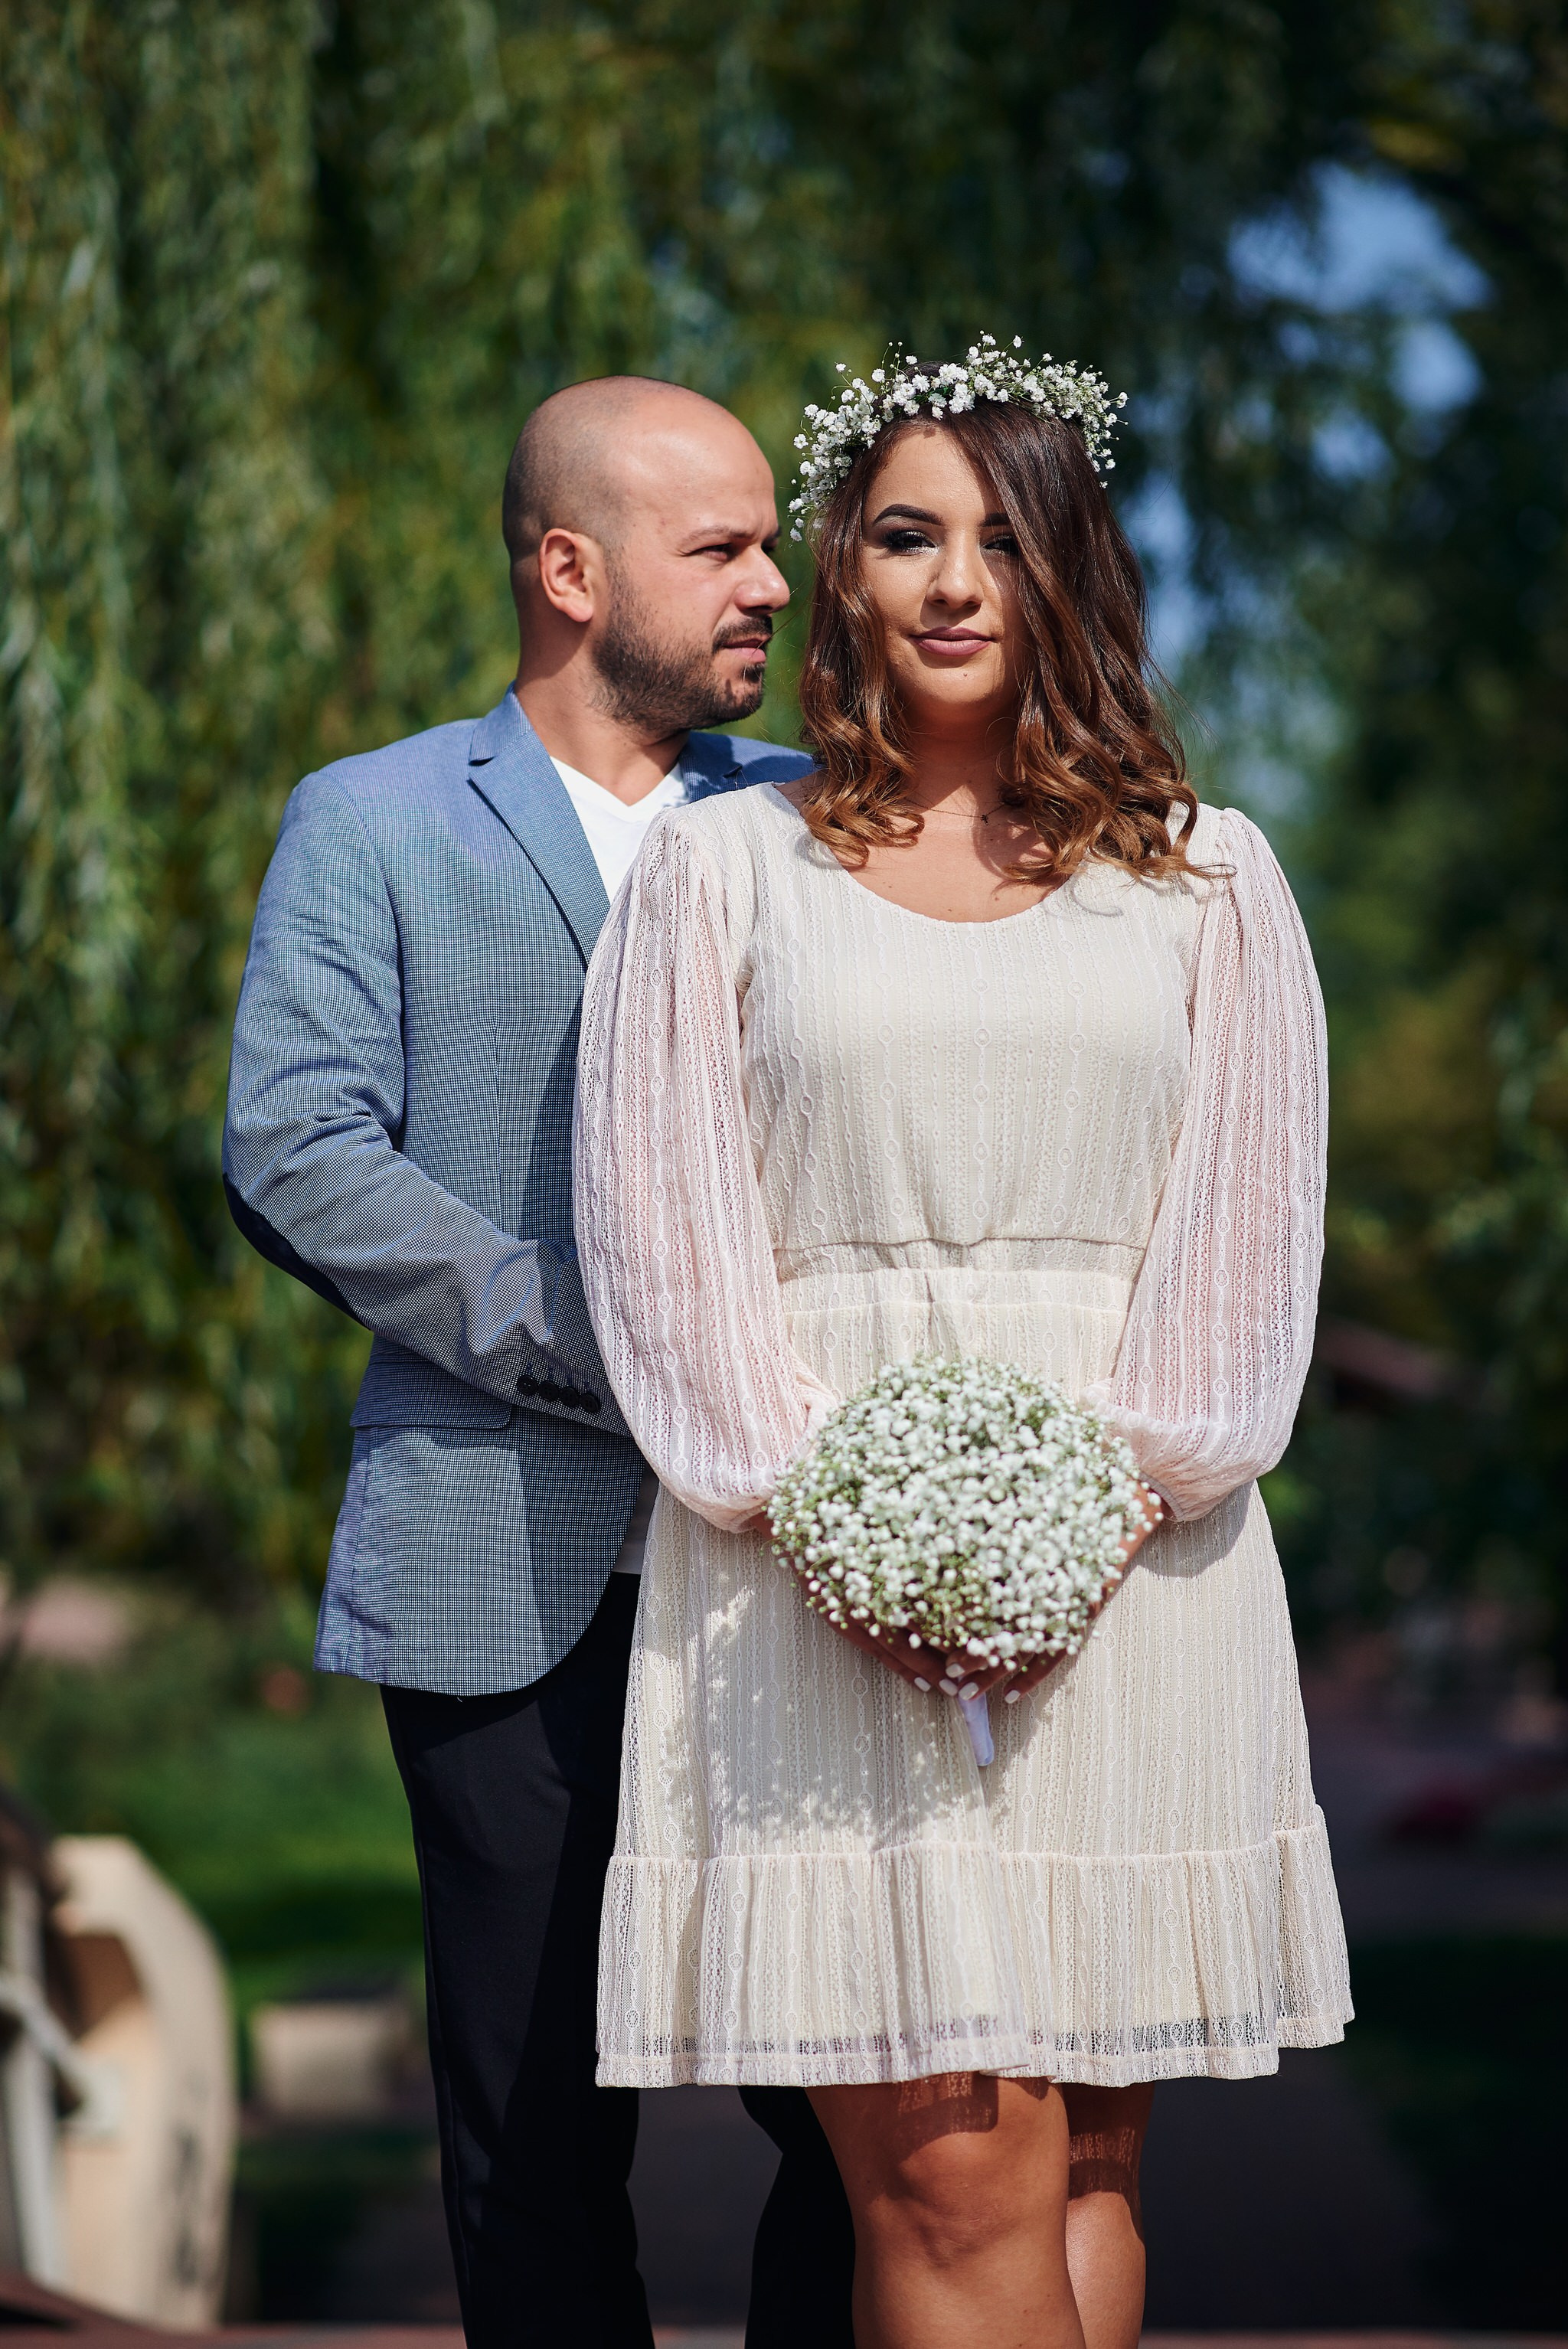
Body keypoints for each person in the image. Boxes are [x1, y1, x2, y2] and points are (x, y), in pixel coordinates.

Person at [574, 346, 1354, 2349]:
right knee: (945, 2179)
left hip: (1146, 1574)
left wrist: (1091, 1507)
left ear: (1073, 567)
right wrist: (846, 1524)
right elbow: (666, 1244)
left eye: (1003, 536)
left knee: (1092, 2162)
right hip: (814, 1586)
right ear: (844, 572)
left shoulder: (1214, 876)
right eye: (906, 532)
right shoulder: (717, 870)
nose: (950, 579)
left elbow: (1244, 1250)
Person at [224, 376, 854, 2349]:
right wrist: (613, 1353)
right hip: (498, 1559)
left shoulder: (822, 823)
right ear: (571, 572)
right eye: (725, 546)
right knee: (530, 2136)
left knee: (851, 2112)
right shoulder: (374, 820)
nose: (779, 581)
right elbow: (300, 1148)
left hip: (795, 1575)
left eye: (775, 539)